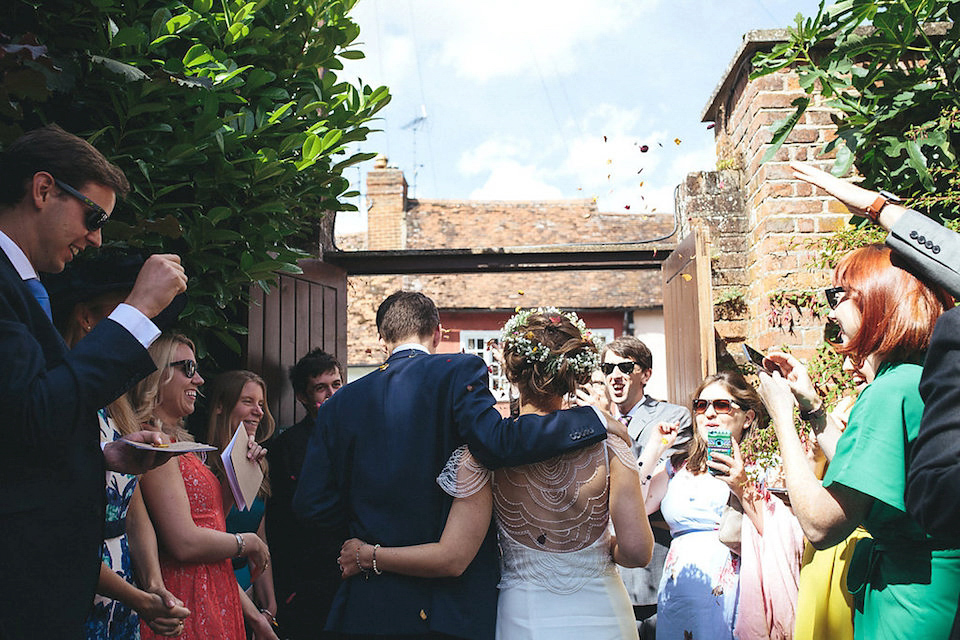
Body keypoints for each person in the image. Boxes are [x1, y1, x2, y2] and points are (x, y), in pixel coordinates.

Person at [293, 292, 624, 640]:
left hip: (371, 602)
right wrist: (588, 421)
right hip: (450, 608)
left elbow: (311, 505)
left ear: (382, 341)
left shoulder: (336, 406)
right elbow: (495, 443)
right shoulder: (458, 371)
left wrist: (363, 536)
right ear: (437, 332)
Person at [0, 124, 187, 638]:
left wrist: (104, 455)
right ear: (42, 190)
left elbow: (17, 430)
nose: (97, 237)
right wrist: (139, 308)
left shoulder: (23, 288)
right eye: (93, 216)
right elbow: (37, 412)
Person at [757, 244, 960, 638]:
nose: (831, 311)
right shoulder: (921, 378)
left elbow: (821, 524)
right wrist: (813, 408)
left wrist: (781, 414)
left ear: (876, 299)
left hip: (908, 601)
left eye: (839, 295)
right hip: (939, 591)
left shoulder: (885, 393)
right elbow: (867, 474)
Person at [46, 254, 190, 639]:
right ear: (88, 318)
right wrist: (140, 599)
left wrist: (154, 584)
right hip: (76, 594)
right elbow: (59, 532)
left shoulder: (114, 404)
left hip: (124, 596)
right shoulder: (55, 397)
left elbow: (134, 510)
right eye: (129, 314)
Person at [132, 334, 278, 640]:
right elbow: (183, 543)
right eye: (188, 368)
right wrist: (249, 542)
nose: (198, 380)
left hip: (213, 587)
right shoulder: (153, 442)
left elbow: (213, 521)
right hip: (185, 592)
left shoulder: (181, 443)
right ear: (158, 374)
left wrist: (240, 471)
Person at [643, 370, 767, 640]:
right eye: (701, 405)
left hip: (734, 584)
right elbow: (637, 506)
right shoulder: (678, 466)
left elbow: (773, 530)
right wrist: (654, 450)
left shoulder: (761, 465)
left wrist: (741, 483)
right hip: (679, 589)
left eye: (721, 405)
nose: (709, 413)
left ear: (748, 418)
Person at [599, 336, 692, 637]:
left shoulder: (672, 417)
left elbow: (649, 493)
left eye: (625, 367)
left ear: (646, 374)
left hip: (645, 570)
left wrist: (610, 429)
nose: (615, 375)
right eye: (607, 368)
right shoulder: (590, 420)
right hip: (596, 567)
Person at [265, 349, 344, 639]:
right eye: (321, 388)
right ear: (302, 396)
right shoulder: (287, 446)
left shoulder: (362, 436)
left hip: (356, 571)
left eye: (336, 384)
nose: (332, 394)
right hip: (306, 580)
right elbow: (278, 522)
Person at [205, 370, 277, 625]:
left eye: (261, 404)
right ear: (220, 406)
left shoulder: (260, 463)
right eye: (247, 401)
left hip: (248, 586)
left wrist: (269, 604)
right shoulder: (202, 465)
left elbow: (260, 537)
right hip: (211, 586)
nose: (258, 411)